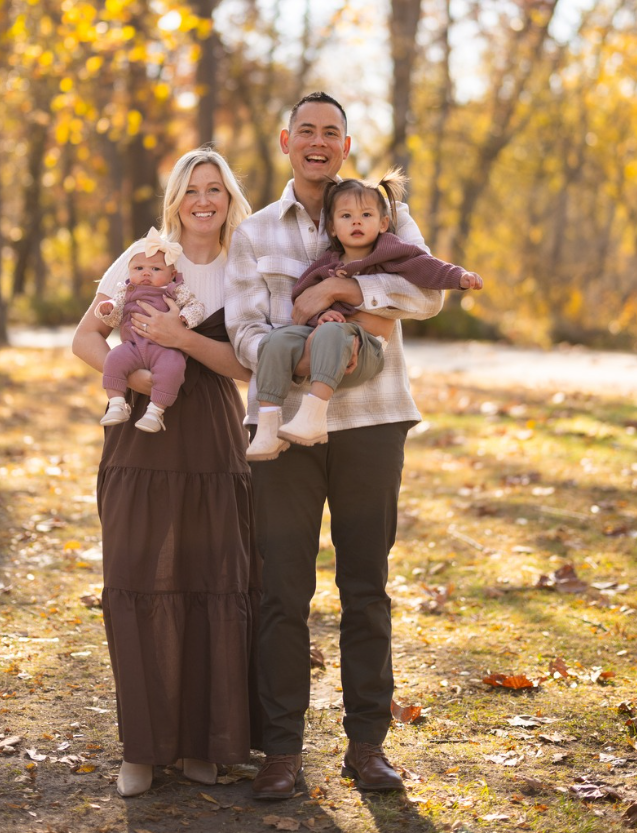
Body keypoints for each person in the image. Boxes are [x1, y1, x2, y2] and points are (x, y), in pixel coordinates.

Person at [226, 91, 443, 799]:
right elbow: (244, 327)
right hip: (282, 431)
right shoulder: (255, 230)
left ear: (344, 146)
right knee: (283, 591)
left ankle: (367, 744)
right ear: (287, 139)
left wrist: (339, 289)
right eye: (307, 131)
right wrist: (298, 353)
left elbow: (428, 296)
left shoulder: (381, 209)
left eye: (332, 133)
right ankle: (282, 750)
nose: (318, 142)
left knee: (365, 588)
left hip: (374, 423)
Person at [73, 148, 261, 797]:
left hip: (209, 436)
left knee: (209, 578)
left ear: (229, 197)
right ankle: (143, 749)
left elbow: (248, 368)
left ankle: (206, 741)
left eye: (214, 189)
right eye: (191, 190)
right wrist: (139, 375)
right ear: (176, 200)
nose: (202, 200)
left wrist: (183, 343)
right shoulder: (143, 257)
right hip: (140, 441)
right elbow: (84, 339)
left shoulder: (244, 265)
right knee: (136, 576)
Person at [246, 170, 483, 460]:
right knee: (276, 340)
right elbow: (304, 299)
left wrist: (460, 277)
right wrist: (318, 317)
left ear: (384, 223)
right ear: (331, 228)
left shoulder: (390, 252)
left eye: (366, 215)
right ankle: (269, 427)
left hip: (366, 348)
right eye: (346, 216)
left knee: (332, 333)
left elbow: (426, 267)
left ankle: (313, 416)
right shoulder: (328, 263)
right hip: (327, 338)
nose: (356, 221)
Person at [95, 227, 205, 433]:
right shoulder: (126, 291)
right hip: (133, 346)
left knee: (173, 367)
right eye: (139, 269)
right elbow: (116, 315)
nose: (146, 273)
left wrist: (184, 318)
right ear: (129, 272)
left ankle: (155, 411)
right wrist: (108, 309)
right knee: (113, 358)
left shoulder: (175, 289)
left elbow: (196, 307)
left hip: (164, 349)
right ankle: (117, 403)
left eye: (155, 269)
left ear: (172, 275)